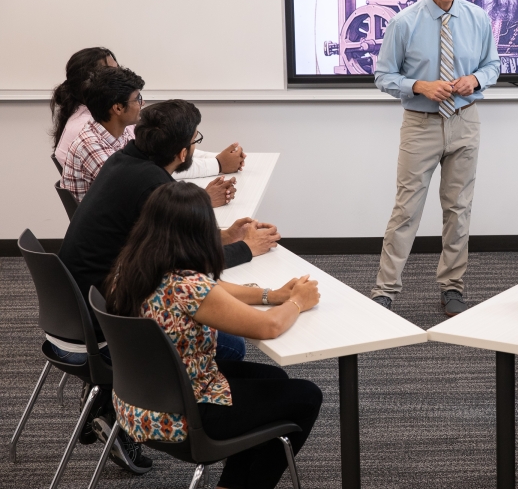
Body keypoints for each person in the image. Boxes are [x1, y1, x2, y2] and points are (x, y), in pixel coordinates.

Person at [56, 99, 278, 472]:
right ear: (183, 151)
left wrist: (224, 235)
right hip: (113, 318)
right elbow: (181, 270)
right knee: (232, 345)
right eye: (195, 139)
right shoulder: (152, 184)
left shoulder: (125, 163)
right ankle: (178, 409)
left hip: (85, 302)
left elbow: (166, 244)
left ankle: (126, 398)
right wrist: (245, 248)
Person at [104, 182, 322, 489]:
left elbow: (211, 290)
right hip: (182, 417)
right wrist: (299, 301)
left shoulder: (129, 267)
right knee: (307, 396)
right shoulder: (187, 287)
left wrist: (269, 295)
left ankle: (230, 484)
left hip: (137, 404)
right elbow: (268, 328)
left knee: (275, 381)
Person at [372, 0, 500, 316]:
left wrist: (475, 79)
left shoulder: (478, 19)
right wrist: (419, 86)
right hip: (421, 124)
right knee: (406, 211)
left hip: (465, 121)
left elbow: (493, 65)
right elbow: (382, 75)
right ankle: (385, 291)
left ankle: (452, 288)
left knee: (458, 209)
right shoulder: (404, 22)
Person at [50, 47, 246, 200]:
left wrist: (218, 159)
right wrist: (213, 175)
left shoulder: (114, 126)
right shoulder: (88, 140)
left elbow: (161, 154)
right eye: (137, 99)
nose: (142, 104)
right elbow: (146, 187)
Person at [60, 67, 143, 202]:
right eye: (138, 99)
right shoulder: (89, 145)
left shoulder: (118, 134)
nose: (142, 103)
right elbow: (132, 188)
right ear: (118, 108)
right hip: (107, 221)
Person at [52, 47, 118, 163]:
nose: (121, 78)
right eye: (112, 73)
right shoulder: (84, 127)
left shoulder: (101, 114)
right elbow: (117, 176)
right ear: (89, 82)